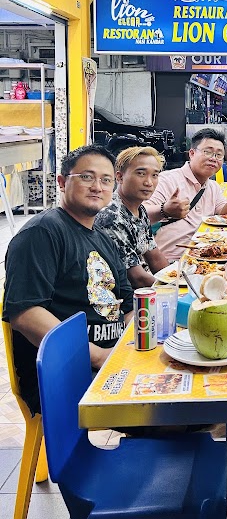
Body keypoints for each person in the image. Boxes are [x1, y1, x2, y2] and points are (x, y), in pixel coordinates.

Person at [2, 145, 134, 416]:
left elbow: (129, 303)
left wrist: (135, 347)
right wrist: (100, 357)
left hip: (111, 364)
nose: (97, 186)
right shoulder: (42, 233)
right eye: (86, 177)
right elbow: (26, 315)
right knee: (176, 415)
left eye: (106, 180)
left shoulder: (102, 238)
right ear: (62, 182)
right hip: (64, 377)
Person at [145, 128, 227, 263]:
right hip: (171, 262)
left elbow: (225, 214)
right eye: (207, 152)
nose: (213, 158)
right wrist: (164, 210)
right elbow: (140, 214)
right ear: (191, 153)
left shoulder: (213, 187)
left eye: (219, 154)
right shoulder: (167, 180)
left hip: (205, 258)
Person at [94, 146, 169, 288]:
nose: (149, 182)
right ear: (119, 177)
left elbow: (155, 258)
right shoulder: (112, 216)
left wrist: (178, 281)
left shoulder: (139, 209)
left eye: (155, 175)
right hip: (120, 297)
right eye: (141, 174)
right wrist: (174, 291)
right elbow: (137, 278)